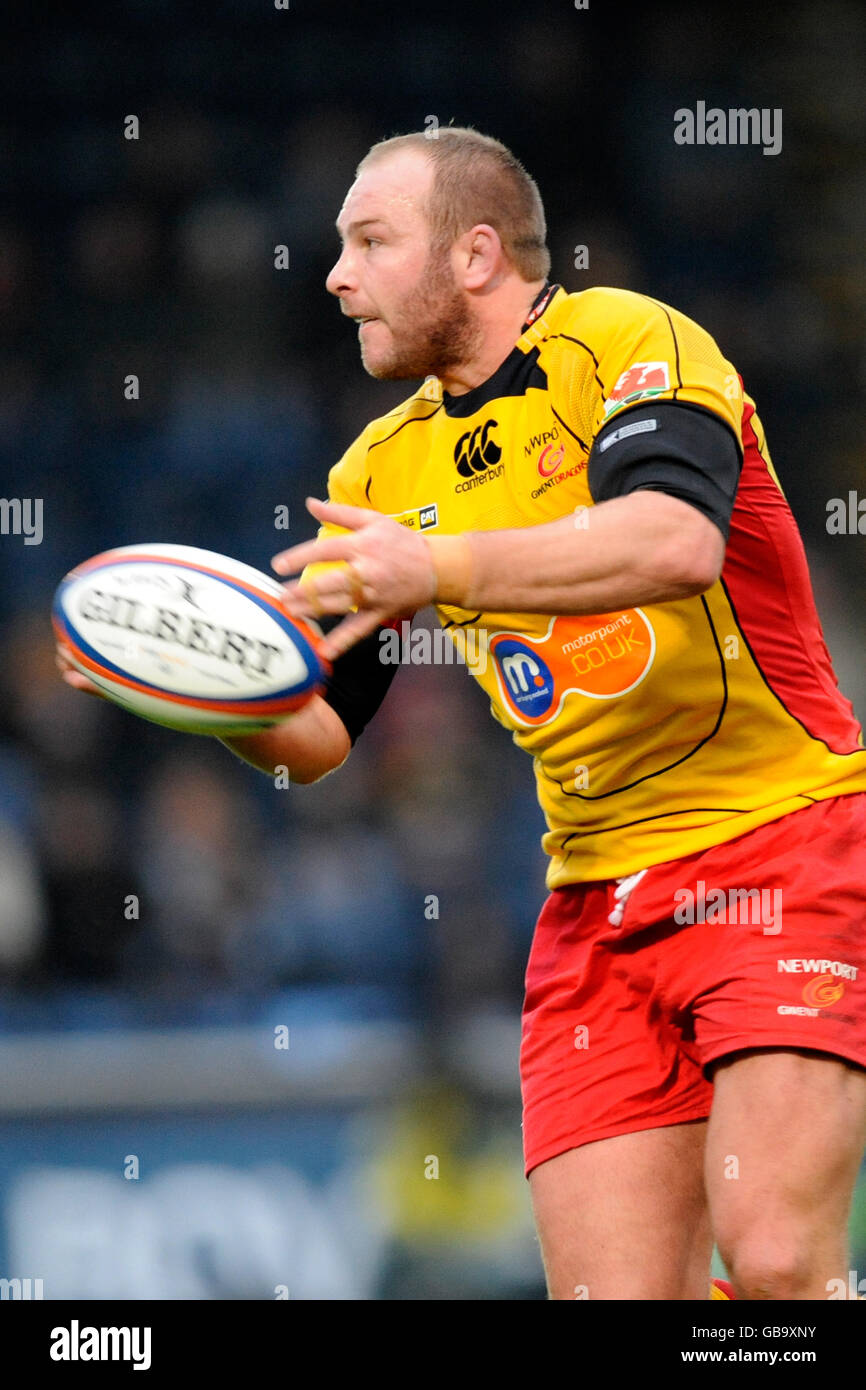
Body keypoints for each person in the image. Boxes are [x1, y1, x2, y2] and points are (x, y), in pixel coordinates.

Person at [61, 127, 866, 1301]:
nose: (334, 276)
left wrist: (435, 574)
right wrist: (199, 691)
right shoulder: (374, 474)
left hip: (781, 840)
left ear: (476, 254)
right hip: (593, 907)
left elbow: (675, 539)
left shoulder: (629, 341)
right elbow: (322, 739)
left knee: (778, 1257)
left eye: (369, 242)